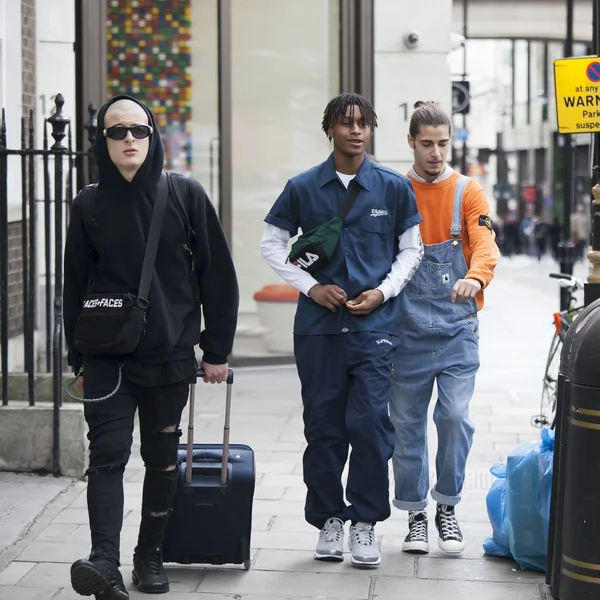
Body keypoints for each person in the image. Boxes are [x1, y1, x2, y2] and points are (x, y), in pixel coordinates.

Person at [63, 95, 239, 598]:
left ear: (153, 134)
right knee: (107, 457)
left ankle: (149, 556)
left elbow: (218, 278)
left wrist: (217, 351)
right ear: (103, 141)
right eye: (116, 132)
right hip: (106, 358)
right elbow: (74, 286)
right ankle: (104, 562)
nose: (129, 141)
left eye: (138, 131)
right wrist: (77, 359)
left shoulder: (184, 193)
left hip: (168, 354)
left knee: (162, 458)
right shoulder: (89, 203)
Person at [260, 92, 423, 568]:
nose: (355, 130)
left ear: (371, 130)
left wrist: (383, 292)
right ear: (329, 128)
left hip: (375, 328)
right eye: (345, 122)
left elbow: (411, 250)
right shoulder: (302, 187)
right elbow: (272, 245)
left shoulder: (392, 187)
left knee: (371, 426)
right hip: (319, 330)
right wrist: (311, 288)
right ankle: (329, 519)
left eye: (362, 123)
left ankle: (366, 524)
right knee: (324, 428)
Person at [390, 101, 499, 556]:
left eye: (443, 143)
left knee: (454, 418)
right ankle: (416, 514)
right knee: (407, 427)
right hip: (405, 330)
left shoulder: (468, 191)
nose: (436, 153)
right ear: (411, 142)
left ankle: (447, 506)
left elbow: (486, 243)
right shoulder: (395, 190)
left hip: (457, 329)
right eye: (427, 144)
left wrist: (476, 276)